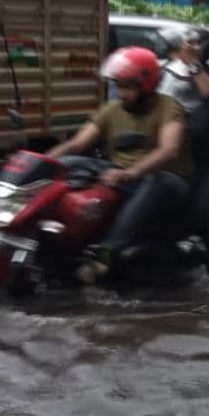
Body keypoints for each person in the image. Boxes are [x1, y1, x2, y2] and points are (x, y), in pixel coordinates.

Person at [46, 46, 195, 281]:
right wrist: (44, 162)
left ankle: (106, 253)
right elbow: (76, 144)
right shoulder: (112, 109)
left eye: (128, 86)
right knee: (73, 163)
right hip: (120, 175)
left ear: (146, 86)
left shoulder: (169, 108)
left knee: (159, 181)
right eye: (119, 85)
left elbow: (169, 150)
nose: (121, 92)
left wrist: (132, 172)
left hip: (167, 182)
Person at [159, 27, 209, 273]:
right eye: (180, 48)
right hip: (164, 157)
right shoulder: (163, 75)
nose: (181, 53)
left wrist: (195, 68)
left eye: (190, 48)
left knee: (199, 216)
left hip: (207, 165)